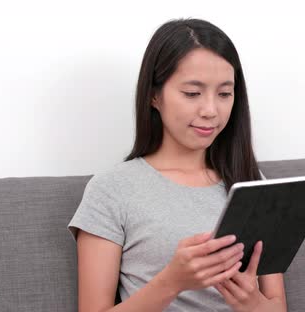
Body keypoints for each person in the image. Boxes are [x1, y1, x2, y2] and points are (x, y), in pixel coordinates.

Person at [67, 18, 287, 312]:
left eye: (224, 93)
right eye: (192, 93)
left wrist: (253, 304)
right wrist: (172, 281)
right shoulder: (111, 191)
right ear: (154, 96)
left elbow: (277, 306)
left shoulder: (249, 180)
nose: (211, 111)